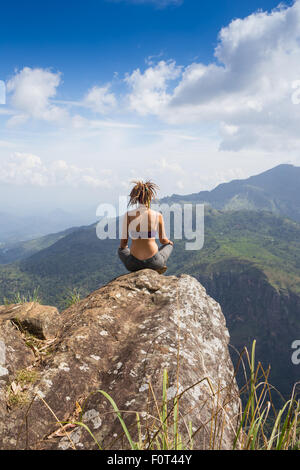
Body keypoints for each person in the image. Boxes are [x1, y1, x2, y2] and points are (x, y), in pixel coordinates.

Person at [118, 180, 173, 274]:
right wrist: (169, 242)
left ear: (136, 198)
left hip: (133, 264)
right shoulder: (158, 215)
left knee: (120, 250)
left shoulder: (128, 215)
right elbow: (163, 240)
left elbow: (123, 243)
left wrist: (126, 247)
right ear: (150, 197)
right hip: (154, 262)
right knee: (168, 245)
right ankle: (159, 267)